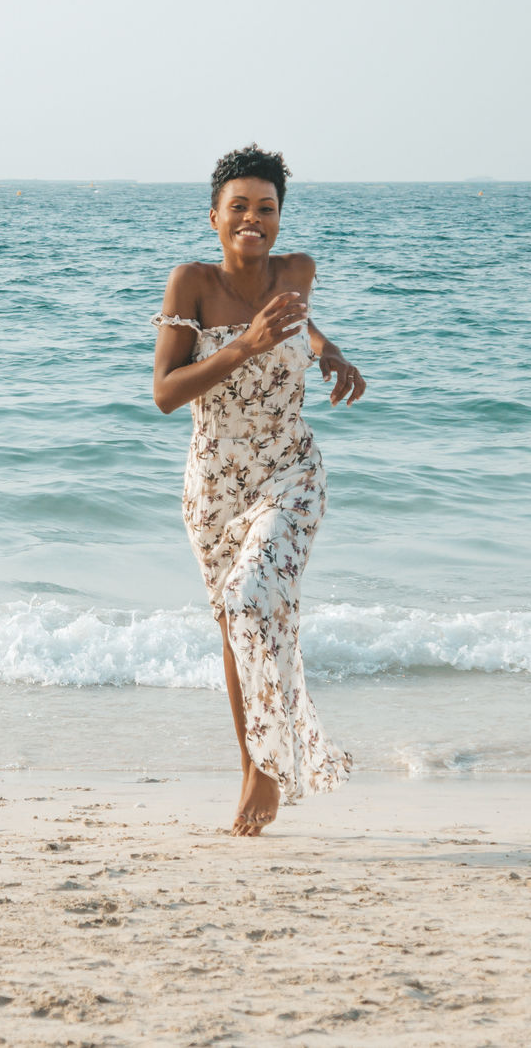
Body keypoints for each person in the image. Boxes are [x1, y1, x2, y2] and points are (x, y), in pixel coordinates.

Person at [152, 144, 365, 837]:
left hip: (290, 470)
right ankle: (253, 764)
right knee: (235, 625)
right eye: (238, 206)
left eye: (265, 208)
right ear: (214, 216)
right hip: (213, 484)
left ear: (279, 218)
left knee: (250, 599)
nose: (252, 218)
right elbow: (164, 393)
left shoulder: (297, 271)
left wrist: (328, 351)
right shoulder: (191, 282)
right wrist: (241, 346)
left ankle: (272, 767)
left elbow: (293, 325)